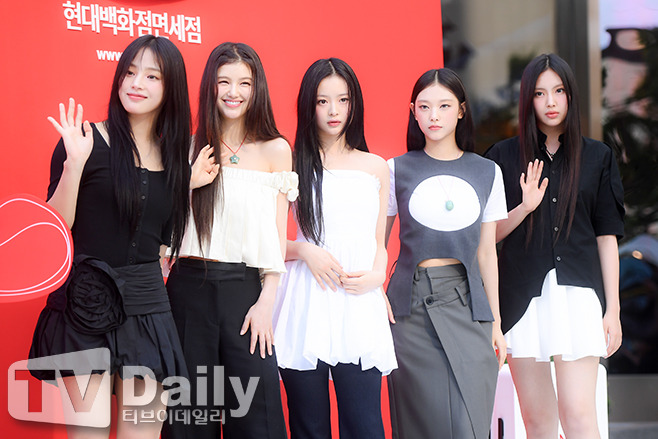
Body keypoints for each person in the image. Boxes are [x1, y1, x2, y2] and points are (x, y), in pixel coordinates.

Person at [28, 35, 197, 438]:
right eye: (130, 72)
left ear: (170, 87)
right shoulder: (83, 140)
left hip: (148, 309)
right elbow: (54, 229)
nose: (136, 83)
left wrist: (190, 185)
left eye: (152, 76)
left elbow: (164, 240)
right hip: (85, 305)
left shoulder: (176, 158)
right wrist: (73, 165)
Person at [485, 53, 624, 439]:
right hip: (521, 300)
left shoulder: (597, 157)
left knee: (579, 417)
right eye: (540, 93)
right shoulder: (502, 157)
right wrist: (524, 207)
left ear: (570, 96)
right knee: (538, 424)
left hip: (579, 297)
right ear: (527, 99)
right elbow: (486, 237)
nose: (550, 102)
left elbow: (606, 236)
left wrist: (613, 309)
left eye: (559, 91)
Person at [162, 42, 294, 439]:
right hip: (188, 293)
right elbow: (161, 229)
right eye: (224, 82)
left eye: (244, 83)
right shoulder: (187, 147)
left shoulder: (276, 150)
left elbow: (277, 235)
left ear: (257, 88)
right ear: (210, 86)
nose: (233, 92)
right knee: (190, 419)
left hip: (246, 296)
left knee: (257, 420)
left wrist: (267, 302)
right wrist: (186, 182)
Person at [272, 58, 397, 439]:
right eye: (322, 101)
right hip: (305, 300)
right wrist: (304, 251)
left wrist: (378, 277)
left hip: (357, 301)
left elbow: (379, 242)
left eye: (342, 100)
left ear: (354, 104)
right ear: (309, 105)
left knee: (364, 425)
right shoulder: (292, 161)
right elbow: (268, 239)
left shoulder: (376, 167)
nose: (333, 111)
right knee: (308, 425)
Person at [385, 68, 507, 439]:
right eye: (424, 107)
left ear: (461, 110)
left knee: (470, 424)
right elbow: (377, 244)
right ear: (413, 111)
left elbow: (487, 254)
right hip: (410, 310)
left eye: (444, 106)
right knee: (422, 423)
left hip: (468, 304)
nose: (433, 115)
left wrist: (497, 323)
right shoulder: (395, 169)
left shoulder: (488, 172)